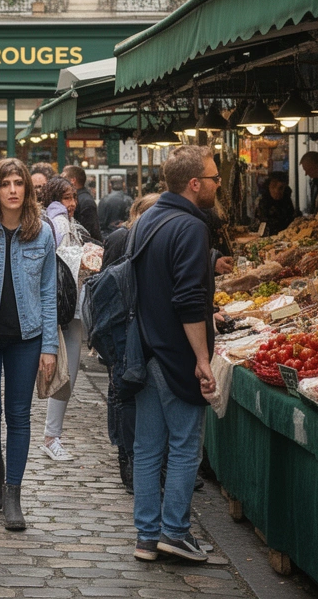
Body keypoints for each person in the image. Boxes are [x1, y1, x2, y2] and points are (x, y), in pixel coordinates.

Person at [130, 145, 220, 564]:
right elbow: (188, 299)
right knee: (185, 447)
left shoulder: (148, 218)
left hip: (145, 351)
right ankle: (175, 532)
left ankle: (147, 537)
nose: (218, 185)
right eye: (214, 178)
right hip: (175, 355)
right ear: (195, 183)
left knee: (148, 449)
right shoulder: (190, 226)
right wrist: (202, 359)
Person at [0, 158, 58, 531]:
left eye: (19, 182)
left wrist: (49, 346)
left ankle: (14, 496)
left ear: (29, 189)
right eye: (5, 183)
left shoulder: (43, 233)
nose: (13, 190)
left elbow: (49, 292)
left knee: (19, 416)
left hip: (28, 337)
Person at [100, 193, 161, 493]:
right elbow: (106, 284)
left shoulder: (157, 240)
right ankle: (127, 459)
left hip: (143, 330)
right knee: (123, 393)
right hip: (123, 329)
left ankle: (142, 462)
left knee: (133, 393)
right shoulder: (121, 238)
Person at [38, 176, 86, 462]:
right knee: (65, 374)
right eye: (67, 197)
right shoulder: (59, 222)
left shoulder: (54, 219)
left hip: (66, 306)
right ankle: (51, 437)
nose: (72, 204)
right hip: (67, 308)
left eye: (74, 197)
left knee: (63, 372)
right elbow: (62, 263)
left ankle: (52, 435)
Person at [62, 165, 102, 240]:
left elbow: (89, 233)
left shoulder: (86, 201)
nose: (60, 180)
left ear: (73, 180)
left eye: (64, 177)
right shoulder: (83, 199)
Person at [254, 171, 298, 236]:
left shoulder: (287, 201)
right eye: (273, 186)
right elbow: (260, 225)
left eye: (281, 188)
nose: (276, 191)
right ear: (268, 186)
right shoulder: (262, 202)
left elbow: (291, 221)